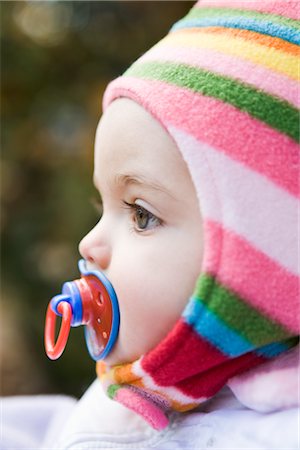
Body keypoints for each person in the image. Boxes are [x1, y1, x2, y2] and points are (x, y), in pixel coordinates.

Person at [2, 1, 299, 448]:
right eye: (100, 206)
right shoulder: (137, 395)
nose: (89, 244)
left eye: (140, 214)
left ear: (263, 261)